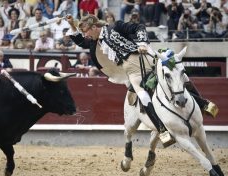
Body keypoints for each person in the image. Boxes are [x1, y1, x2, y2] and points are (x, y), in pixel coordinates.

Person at [66, 14, 171, 142]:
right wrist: (72, 24)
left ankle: (202, 104)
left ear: (94, 27)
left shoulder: (115, 27)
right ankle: (162, 131)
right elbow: (81, 41)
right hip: (130, 69)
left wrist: (143, 44)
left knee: (175, 70)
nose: (86, 35)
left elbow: (139, 27)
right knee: (141, 94)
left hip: (143, 57)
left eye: (86, 31)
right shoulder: (95, 41)